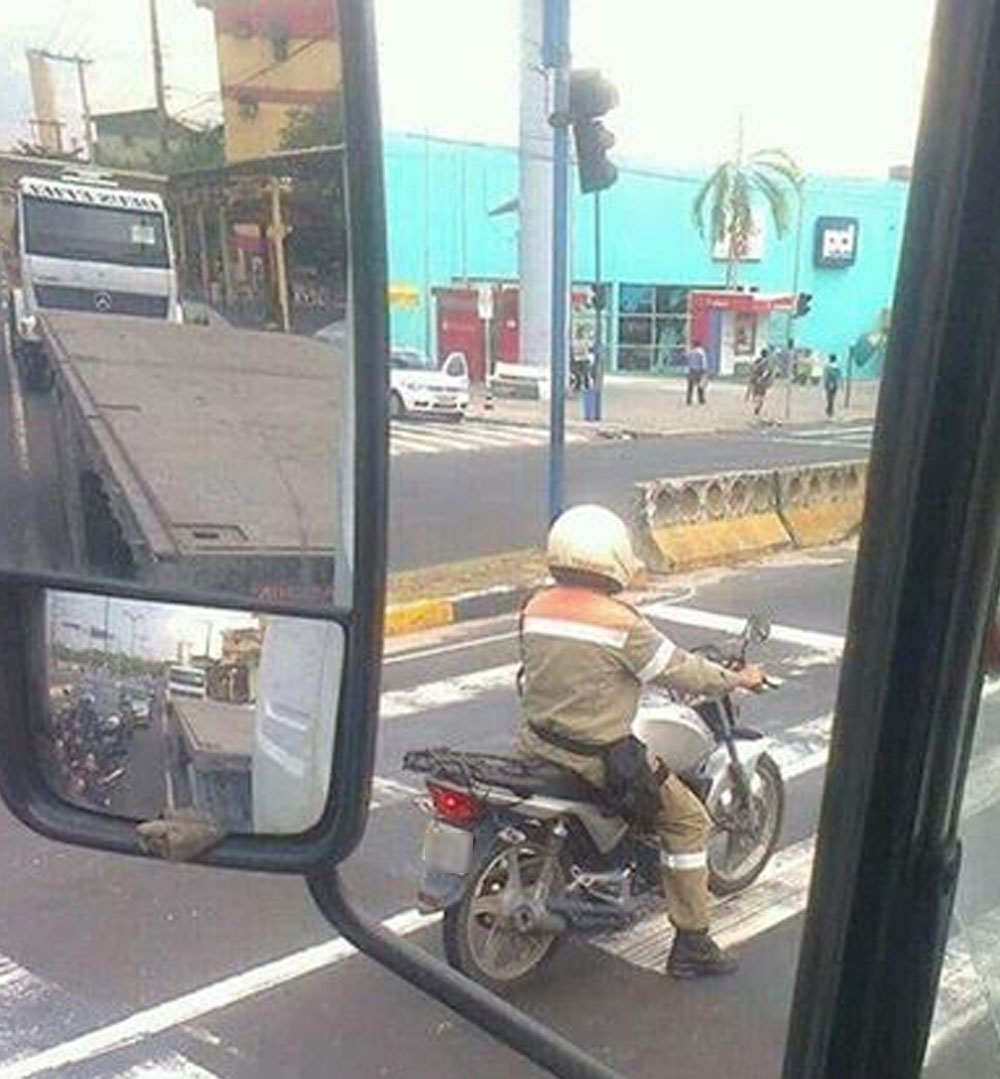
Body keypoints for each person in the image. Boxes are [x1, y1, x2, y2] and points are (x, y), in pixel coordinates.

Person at [517, 505, 765, 978]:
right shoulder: (621, 623)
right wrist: (737, 678)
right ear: (613, 556)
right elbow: (682, 671)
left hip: (537, 744)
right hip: (596, 759)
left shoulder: (535, 606)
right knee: (687, 820)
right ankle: (692, 943)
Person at [747, 348, 774, 418]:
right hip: (762, 382)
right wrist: (762, 378)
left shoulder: (757, 361)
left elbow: (752, 369)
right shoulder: (767, 363)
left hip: (756, 381)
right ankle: (757, 407)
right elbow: (767, 372)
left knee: (756, 395)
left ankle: (756, 407)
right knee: (761, 396)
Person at [685, 340, 708, 405]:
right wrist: (705, 370)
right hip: (699, 370)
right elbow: (704, 362)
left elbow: (688, 361)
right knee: (700, 385)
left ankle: (689, 399)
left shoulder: (691, 352)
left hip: (691, 370)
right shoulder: (701, 352)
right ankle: (701, 399)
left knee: (690, 386)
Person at [824, 353, 843, 418]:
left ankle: (830, 410)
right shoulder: (837, 367)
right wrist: (840, 385)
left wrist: (825, 385)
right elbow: (839, 377)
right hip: (835, 384)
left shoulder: (828, 367)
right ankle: (830, 410)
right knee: (832, 397)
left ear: (830, 359)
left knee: (829, 398)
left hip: (829, 384)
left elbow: (826, 377)